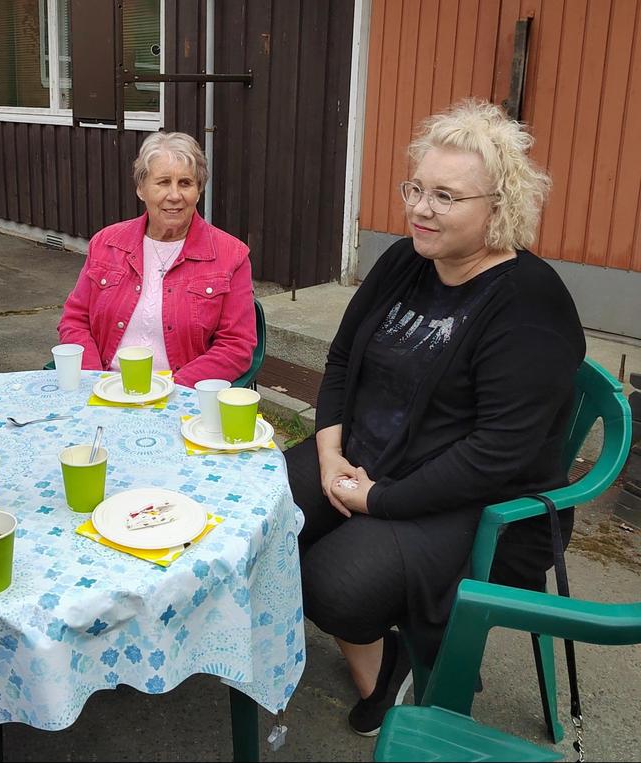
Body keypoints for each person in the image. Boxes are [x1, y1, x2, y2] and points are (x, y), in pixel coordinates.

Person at [284, 99, 585, 736]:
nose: (421, 209)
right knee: (259, 517)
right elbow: (342, 358)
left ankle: (396, 663)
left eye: (446, 196)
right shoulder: (406, 260)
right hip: (369, 455)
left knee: (333, 585)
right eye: (416, 188)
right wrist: (330, 454)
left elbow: (496, 454)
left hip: (477, 501)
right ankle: (381, 665)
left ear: (499, 209)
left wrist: (377, 500)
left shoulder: (530, 305)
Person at [57, 131, 256, 388]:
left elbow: (236, 346)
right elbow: (75, 320)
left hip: (180, 393)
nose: (174, 195)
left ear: (198, 191)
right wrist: (95, 380)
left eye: (185, 183)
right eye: (163, 182)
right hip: (106, 388)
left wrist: (171, 388)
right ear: (141, 189)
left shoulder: (231, 256)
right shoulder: (106, 243)